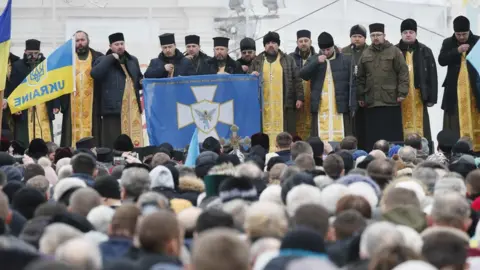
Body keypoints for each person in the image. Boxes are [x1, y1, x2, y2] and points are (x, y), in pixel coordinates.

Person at [356, 23, 409, 151]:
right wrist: (361, 95)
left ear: (384, 35)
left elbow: (403, 72)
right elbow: (360, 77)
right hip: (371, 101)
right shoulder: (365, 53)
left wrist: (402, 92)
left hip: (390, 101)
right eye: (373, 35)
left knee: (391, 136)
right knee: (372, 137)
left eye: (378, 35)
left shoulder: (395, 51)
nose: (376, 37)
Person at [249, 31, 304, 148]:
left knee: (286, 129)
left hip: (283, 103)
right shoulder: (257, 61)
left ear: (278, 45)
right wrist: (251, 76)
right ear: (264, 46)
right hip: (264, 105)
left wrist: (300, 97)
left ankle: (284, 150)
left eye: (274, 42)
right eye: (268, 43)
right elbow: (249, 81)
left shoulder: (288, 60)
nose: (271, 45)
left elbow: (297, 79)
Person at [90, 32, 144, 148]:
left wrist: (141, 82)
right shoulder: (103, 59)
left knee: (132, 140)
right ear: (110, 46)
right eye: (116, 44)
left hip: (131, 108)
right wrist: (110, 58)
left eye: (121, 43)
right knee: (112, 141)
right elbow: (95, 74)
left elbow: (138, 78)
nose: (120, 46)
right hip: (112, 108)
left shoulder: (132, 60)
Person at [299, 32, 355, 141]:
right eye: (323, 50)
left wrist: (352, 105)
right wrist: (316, 62)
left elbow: (353, 84)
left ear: (333, 46)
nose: (326, 52)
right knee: (320, 136)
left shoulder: (345, 60)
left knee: (343, 135)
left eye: (329, 49)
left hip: (339, 103)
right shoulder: (314, 59)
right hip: (321, 105)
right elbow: (303, 74)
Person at [5, 39, 60, 147]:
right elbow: (13, 88)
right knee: (24, 135)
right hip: (25, 105)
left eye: (36, 53)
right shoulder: (18, 66)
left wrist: (56, 104)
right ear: (25, 52)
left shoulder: (47, 65)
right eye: (30, 53)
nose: (33, 56)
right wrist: (14, 106)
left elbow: (54, 85)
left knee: (44, 130)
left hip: (43, 105)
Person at [439, 16, 480, 151]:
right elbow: (442, 60)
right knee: (454, 121)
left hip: (474, 90)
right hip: (454, 91)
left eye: (464, 34)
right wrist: (457, 51)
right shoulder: (448, 43)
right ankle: (454, 149)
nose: (461, 37)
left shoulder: (477, 41)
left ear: (469, 31)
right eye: (458, 34)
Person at [396, 19, 437, 141]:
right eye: (405, 32)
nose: (408, 34)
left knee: (422, 126)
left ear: (416, 33)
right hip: (400, 98)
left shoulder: (425, 51)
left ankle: (422, 149)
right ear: (401, 34)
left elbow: (432, 75)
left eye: (411, 32)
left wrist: (432, 98)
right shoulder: (394, 51)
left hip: (420, 96)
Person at [60, 31, 103, 148]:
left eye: (82, 40)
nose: (80, 43)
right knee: (70, 133)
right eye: (77, 41)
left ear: (88, 41)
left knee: (94, 130)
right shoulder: (67, 58)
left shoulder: (98, 57)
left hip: (92, 103)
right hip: (72, 103)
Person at [342, 24, 369, 149]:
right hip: (349, 94)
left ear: (364, 38)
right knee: (350, 125)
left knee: (364, 124)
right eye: (354, 36)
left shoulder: (369, 51)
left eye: (359, 36)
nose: (356, 39)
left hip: (366, 93)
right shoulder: (344, 52)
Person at [290, 30, 316, 140]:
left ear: (311, 41)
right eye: (301, 41)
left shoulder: (317, 57)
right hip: (297, 98)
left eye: (306, 40)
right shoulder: (290, 58)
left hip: (312, 96)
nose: (303, 43)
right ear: (297, 43)